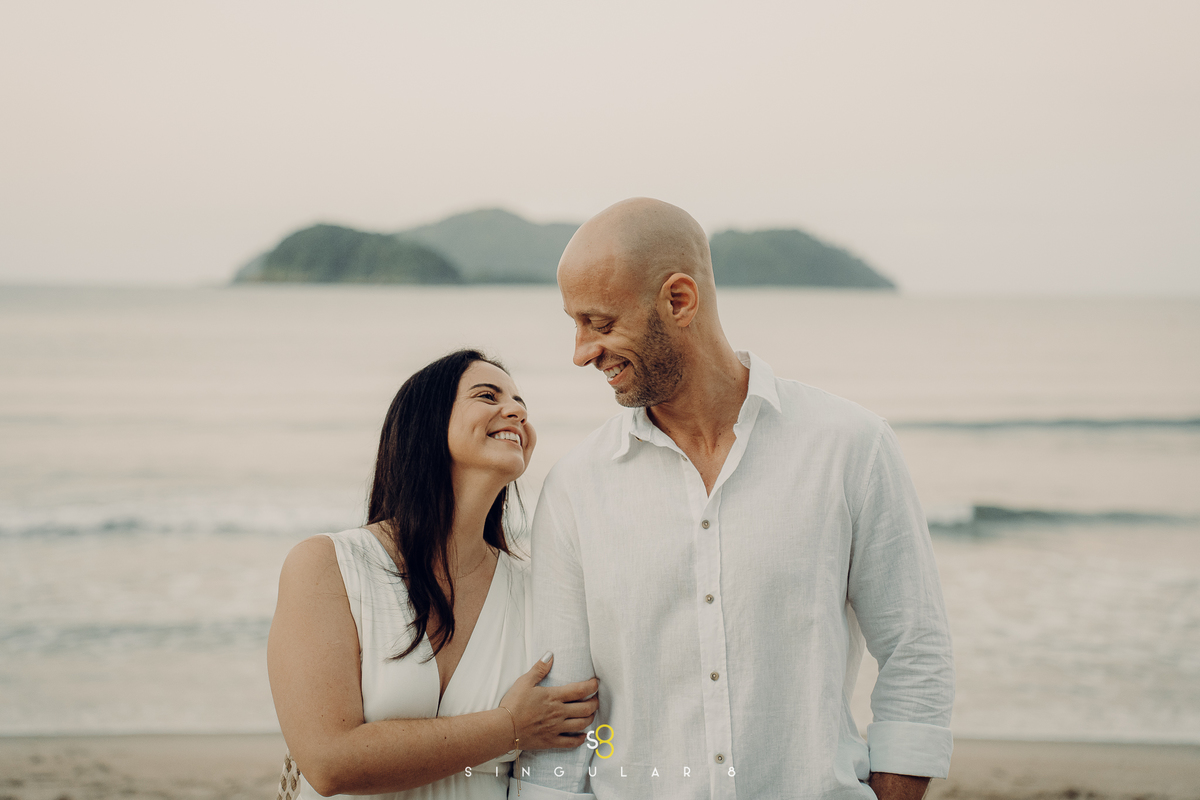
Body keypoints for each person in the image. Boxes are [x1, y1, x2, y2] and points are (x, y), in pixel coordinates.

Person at [513, 199, 955, 800]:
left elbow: (915, 651)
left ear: (679, 300)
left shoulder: (851, 446)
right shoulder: (574, 488)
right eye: (576, 323)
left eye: (601, 323)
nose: (582, 351)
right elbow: (562, 720)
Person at [268, 349, 599, 799]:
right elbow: (329, 762)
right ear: (427, 422)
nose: (518, 411)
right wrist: (511, 726)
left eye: (522, 404)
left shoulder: (536, 587)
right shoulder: (328, 566)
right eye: (488, 395)